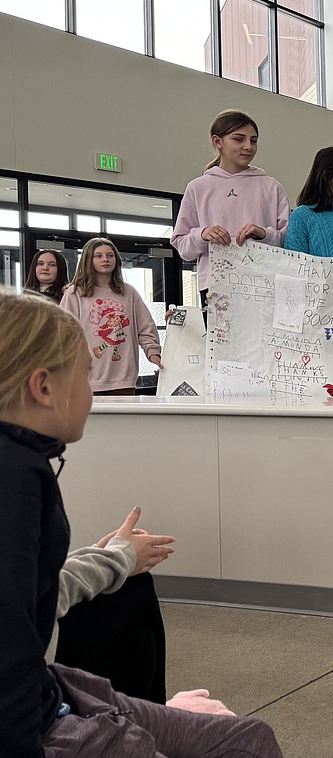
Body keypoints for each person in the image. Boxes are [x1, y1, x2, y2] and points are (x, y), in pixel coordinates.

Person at [0, 290, 283, 756]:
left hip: (54, 691)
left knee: (249, 737)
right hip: (42, 721)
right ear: (43, 387)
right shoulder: (16, 479)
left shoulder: (23, 467)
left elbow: (30, 596)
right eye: (85, 377)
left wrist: (115, 558)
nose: (92, 392)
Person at [53, 507, 175, 704]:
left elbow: (34, 582)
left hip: (30, 641)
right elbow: (41, 593)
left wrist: (95, 556)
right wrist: (115, 559)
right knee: (137, 587)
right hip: (22, 672)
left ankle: (147, 720)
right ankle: (158, 718)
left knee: (138, 642)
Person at [171, 110, 290, 296]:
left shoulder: (271, 187)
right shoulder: (198, 187)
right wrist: (202, 234)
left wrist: (263, 234)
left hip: (264, 284)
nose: (248, 146)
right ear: (217, 141)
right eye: (239, 139)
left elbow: (288, 241)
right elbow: (182, 246)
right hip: (216, 285)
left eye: (253, 140)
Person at [59, 238, 162, 395]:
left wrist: (153, 352)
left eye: (110, 255)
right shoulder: (74, 293)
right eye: (98, 256)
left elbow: (146, 327)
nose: (105, 259)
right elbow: (63, 333)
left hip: (124, 379)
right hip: (85, 379)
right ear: (88, 260)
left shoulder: (129, 292)